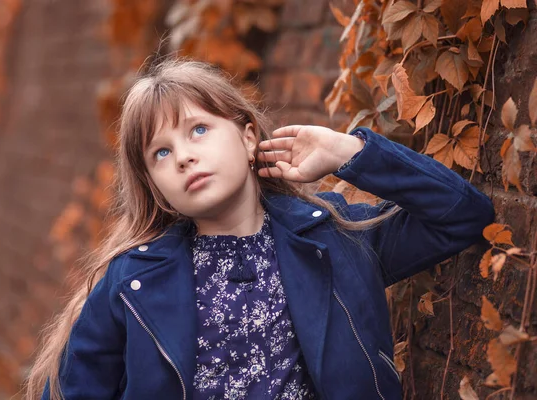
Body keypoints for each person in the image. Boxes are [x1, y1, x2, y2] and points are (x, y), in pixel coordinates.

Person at [25, 58, 495, 400]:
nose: (184, 155)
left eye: (198, 130)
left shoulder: (337, 238)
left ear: (248, 136)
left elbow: (462, 215)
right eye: (160, 153)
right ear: (156, 186)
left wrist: (352, 153)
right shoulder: (131, 283)